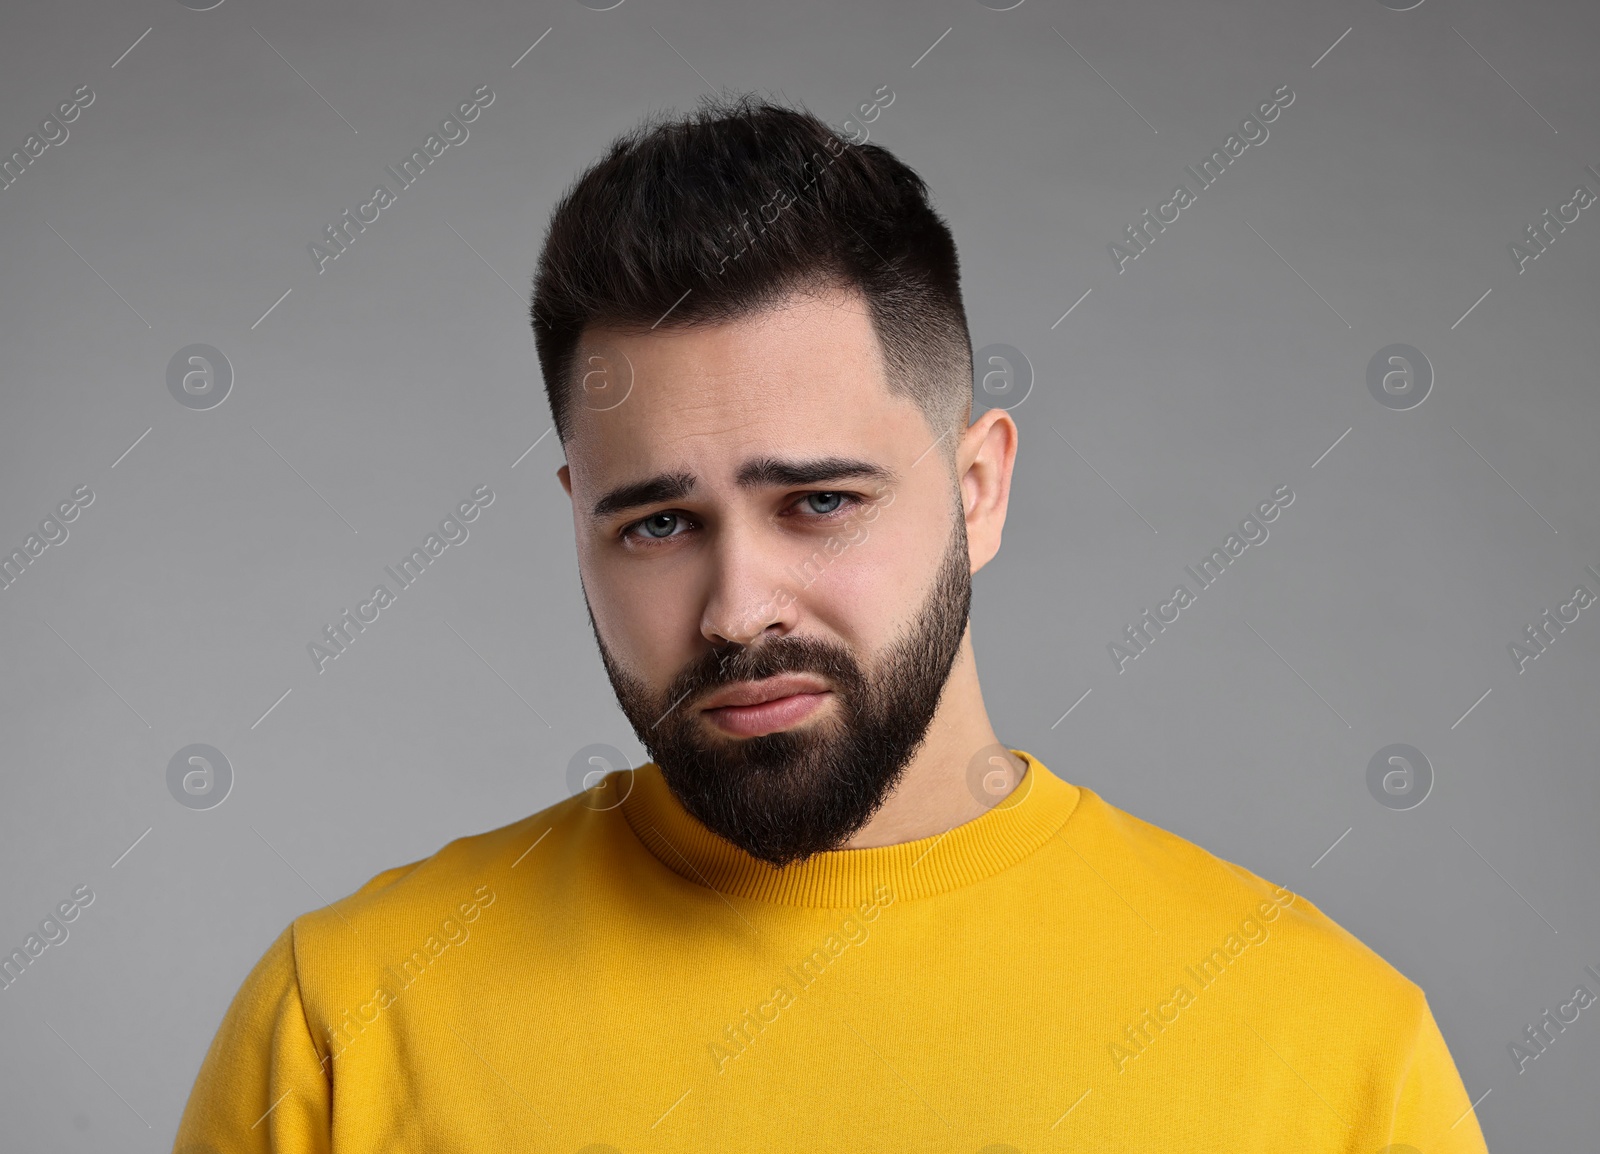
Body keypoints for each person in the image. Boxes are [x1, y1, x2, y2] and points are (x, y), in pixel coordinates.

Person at [174, 95, 1489, 1153]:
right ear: (577, 517)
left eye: (817, 501)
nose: (740, 606)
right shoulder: (345, 1029)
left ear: (977, 490)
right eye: (657, 524)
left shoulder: (1331, 1049)